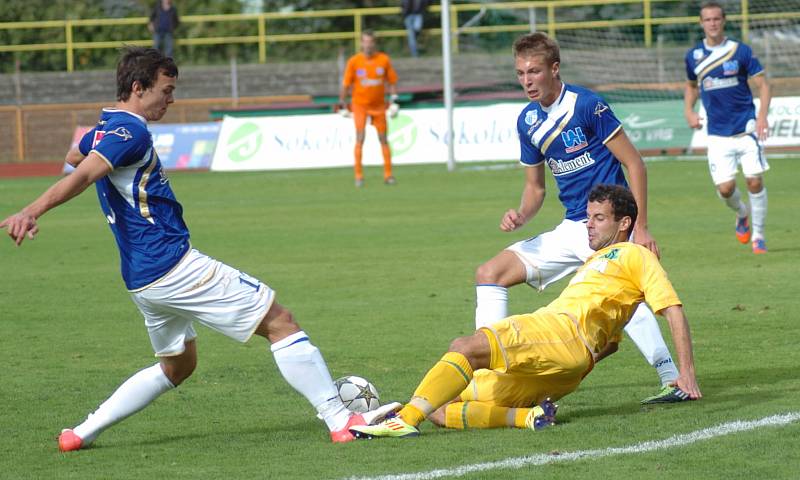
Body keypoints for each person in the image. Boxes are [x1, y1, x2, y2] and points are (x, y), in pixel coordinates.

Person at [0, 47, 398, 452]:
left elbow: (74, 155)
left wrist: (95, 151)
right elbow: (83, 173)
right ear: (138, 88)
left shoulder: (109, 125)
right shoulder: (131, 132)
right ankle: (339, 418)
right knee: (281, 322)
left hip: (142, 280)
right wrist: (32, 211)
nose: (171, 100)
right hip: (174, 266)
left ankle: (79, 433)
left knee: (178, 366)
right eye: (166, 90)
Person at [350, 185, 702, 438]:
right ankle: (525, 418)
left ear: (623, 224)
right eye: (588, 217)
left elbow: (672, 309)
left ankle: (403, 420)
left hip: (559, 332)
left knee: (465, 347)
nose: (588, 225)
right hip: (567, 367)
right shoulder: (596, 261)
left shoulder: (635, 254)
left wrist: (684, 374)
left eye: (598, 218)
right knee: (441, 408)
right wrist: (585, 361)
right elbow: (609, 344)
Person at [473, 32, 685, 405]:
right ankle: (491, 371)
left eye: (534, 71)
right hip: (574, 227)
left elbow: (633, 162)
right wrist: (520, 214)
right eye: (520, 73)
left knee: (622, 298)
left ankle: (671, 378)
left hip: (610, 226)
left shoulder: (587, 106)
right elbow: (535, 189)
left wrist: (640, 226)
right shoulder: (527, 122)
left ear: (554, 69)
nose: (527, 80)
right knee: (490, 273)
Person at [684, 1, 770, 254]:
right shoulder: (693, 56)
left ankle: (759, 236)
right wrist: (688, 110)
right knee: (726, 189)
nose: (712, 23)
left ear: (724, 21)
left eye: (716, 19)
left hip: (746, 129)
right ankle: (742, 214)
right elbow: (691, 87)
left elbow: (764, 85)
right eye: (707, 19)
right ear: (701, 23)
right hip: (718, 135)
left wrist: (762, 117)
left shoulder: (740, 51)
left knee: (754, 181)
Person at [339, 30, 399, 187]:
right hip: (360, 105)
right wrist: (342, 104)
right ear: (361, 43)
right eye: (365, 42)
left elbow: (391, 81)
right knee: (360, 137)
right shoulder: (354, 61)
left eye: (370, 42)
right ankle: (358, 176)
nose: (368, 45)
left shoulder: (383, 60)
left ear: (375, 43)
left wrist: (394, 101)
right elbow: (346, 84)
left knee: (383, 139)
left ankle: (388, 175)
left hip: (379, 106)